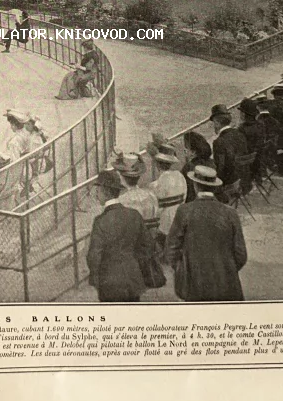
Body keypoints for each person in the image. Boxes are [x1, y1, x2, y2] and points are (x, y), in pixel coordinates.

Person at [166, 166, 247, 302]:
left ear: (195, 185)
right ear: (215, 187)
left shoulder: (184, 211)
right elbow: (241, 255)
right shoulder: (230, 213)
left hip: (195, 285)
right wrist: (227, 270)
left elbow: (171, 250)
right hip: (228, 286)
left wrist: (183, 269)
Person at [86, 167, 154, 302]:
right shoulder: (134, 215)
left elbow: (94, 257)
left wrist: (96, 278)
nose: (96, 194)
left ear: (103, 191)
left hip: (109, 283)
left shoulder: (100, 221)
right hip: (133, 278)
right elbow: (147, 246)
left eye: (97, 190)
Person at [210, 104, 250, 192]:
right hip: (243, 179)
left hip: (230, 183)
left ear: (217, 123)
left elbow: (220, 169)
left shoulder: (219, 141)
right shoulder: (240, 134)